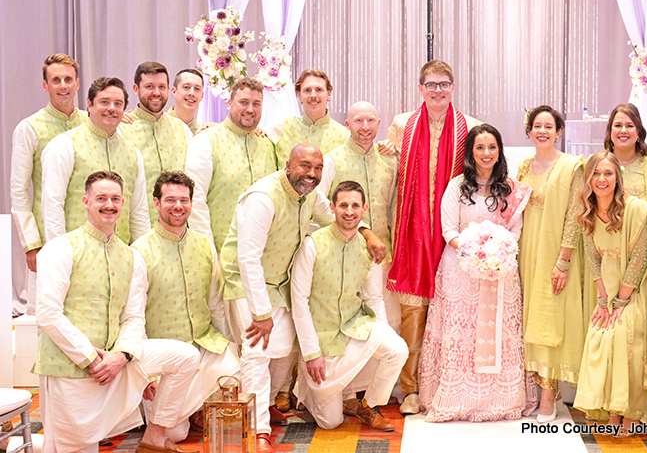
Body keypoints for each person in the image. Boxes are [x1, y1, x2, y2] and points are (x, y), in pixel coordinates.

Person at [219, 144, 385, 452]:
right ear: (287, 165)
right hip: (245, 283)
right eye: (304, 166)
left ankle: (267, 403)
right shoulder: (263, 198)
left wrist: (367, 233)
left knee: (283, 348)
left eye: (318, 168)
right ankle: (259, 431)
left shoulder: (310, 193)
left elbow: (332, 218)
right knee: (257, 352)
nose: (311, 174)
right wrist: (261, 313)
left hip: (279, 282)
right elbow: (248, 260)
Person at [35, 171, 199, 453]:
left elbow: (134, 316)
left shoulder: (131, 256)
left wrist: (122, 356)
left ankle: (154, 439)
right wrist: (89, 358)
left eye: (114, 198)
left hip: (115, 359)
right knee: (70, 447)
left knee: (185, 356)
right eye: (101, 198)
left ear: (123, 203)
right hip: (71, 366)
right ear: (85, 202)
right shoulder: (62, 248)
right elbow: (48, 313)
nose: (108, 204)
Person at [418, 124, 534, 421]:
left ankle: (498, 399)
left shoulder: (510, 188)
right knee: (463, 333)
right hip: (461, 270)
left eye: (492, 147)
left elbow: (515, 230)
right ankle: (458, 396)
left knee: (499, 333)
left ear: (499, 151)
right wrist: (474, 253)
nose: (486, 153)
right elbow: (448, 230)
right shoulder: (457, 186)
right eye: (480, 147)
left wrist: (497, 253)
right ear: (470, 152)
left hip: (501, 271)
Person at [387, 60, 480, 415]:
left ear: (453, 87)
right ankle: (410, 389)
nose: (437, 90)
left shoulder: (469, 127)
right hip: (411, 233)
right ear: (421, 88)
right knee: (414, 311)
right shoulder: (402, 124)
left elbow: (483, 173)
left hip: (451, 234)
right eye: (431, 84)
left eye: (444, 84)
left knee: (451, 311)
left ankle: (446, 382)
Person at [290, 180, 408, 431]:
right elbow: (299, 301)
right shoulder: (313, 244)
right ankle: (312, 391)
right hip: (323, 338)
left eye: (355, 205)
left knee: (396, 349)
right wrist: (311, 354)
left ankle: (369, 404)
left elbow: (374, 297)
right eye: (343, 205)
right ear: (332, 208)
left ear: (364, 209)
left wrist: (382, 337)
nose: (349, 211)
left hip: (355, 326)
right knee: (330, 423)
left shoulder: (370, 249)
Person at [132, 171, 240, 443]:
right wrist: (143, 373)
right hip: (165, 357)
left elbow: (215, 302)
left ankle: (198, 408)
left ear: (192, 203)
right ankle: (189, 412)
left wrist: (227, 343)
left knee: (238, 374)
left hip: (203, 343)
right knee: (175, 434)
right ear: (156, 203)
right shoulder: (139, 251)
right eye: (170, 200)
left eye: (184, 200)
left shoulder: (204, 245)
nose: (178, 206)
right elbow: (133, 317)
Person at [572, 151, 647, 434]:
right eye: (596, 173)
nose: (601, 179)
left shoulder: (636, 210)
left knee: (624, 336)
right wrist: (603, 300)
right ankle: (612, 409)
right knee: (600, 337)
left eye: (608, 173)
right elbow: (592, 258)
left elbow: (640, 258)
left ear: (618, 178)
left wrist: (621, 301)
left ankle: (632, 411)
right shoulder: (587, 211)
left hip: (635, 290)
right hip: (607, 291)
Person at [516, 106, 586, 422]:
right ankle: (539, 387)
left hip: (555, 251)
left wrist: (563, 259)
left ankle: (549, 389)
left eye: (549, 126)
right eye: (537, 126)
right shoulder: (523, 167)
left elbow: (575, 214)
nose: (542, 131)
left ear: (559, 131)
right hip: (526, 249)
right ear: (529, 131)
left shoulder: (572, 166)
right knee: (530, 313)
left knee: (551, 314)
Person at [11, 54, 87, 316]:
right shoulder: (29, 128)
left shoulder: (92, 122)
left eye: (68, 79)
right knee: (49, 311)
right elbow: (19, 191)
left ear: (77, 83)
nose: (63, 86)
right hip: (48, 236)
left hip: (89, 232)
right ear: (45, 85)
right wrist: (32, 244)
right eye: (56, 80)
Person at [41, 76, 150, 245]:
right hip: (76, 256)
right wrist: (59, 255)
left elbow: (139, 212)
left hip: (121, 259)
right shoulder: (65, 145)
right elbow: (52, 206)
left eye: (118, 104)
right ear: (89, 105)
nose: (112, 108)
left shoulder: (133, 153)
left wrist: (141, 257)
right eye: (104, 102)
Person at [319, 101, 399, 329]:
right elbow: (319, 205)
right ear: (347, 125)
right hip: (343, 255)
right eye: (358, 121)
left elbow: (394, 205)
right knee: (346, 322)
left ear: (379, 124)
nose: (365, 127)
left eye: (371, 120)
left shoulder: (389, 159)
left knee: (387, 321)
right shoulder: (332, 160)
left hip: (384, 257)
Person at [186, 76, 277, 252]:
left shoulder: (269, 144)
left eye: (256, 104)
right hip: (222, 253)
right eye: (244, 102)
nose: (250, 109)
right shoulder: (207, 140)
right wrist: (209, 252)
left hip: (264, 255)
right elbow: (195, 200)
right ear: (229, 103)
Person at [120, 62, 188, 225]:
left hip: (179, 227)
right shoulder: (122, 129)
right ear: (136, 89)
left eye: (161, 87)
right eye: (149, 86)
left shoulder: (181, 128)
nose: (156, 93)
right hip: (138, 229)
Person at [268, 68, 348, 167]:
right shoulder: (282, 128)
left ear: (328, 94)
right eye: (307, 90)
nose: (313, 95)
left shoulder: (344, 136)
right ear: (299, 95)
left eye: (319, 90)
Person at [604, 103, 647, 208]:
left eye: (629, 126)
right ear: (610, 131)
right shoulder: (598, 164)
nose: (623, 130)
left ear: (638, 132)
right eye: (618, 125)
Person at [167, 69, 204, 136]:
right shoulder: (159, 125)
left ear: (202, 96)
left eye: (197, 89)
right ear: (174, 91)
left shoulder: (202, 133)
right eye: (186, 87)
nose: (192, 93)